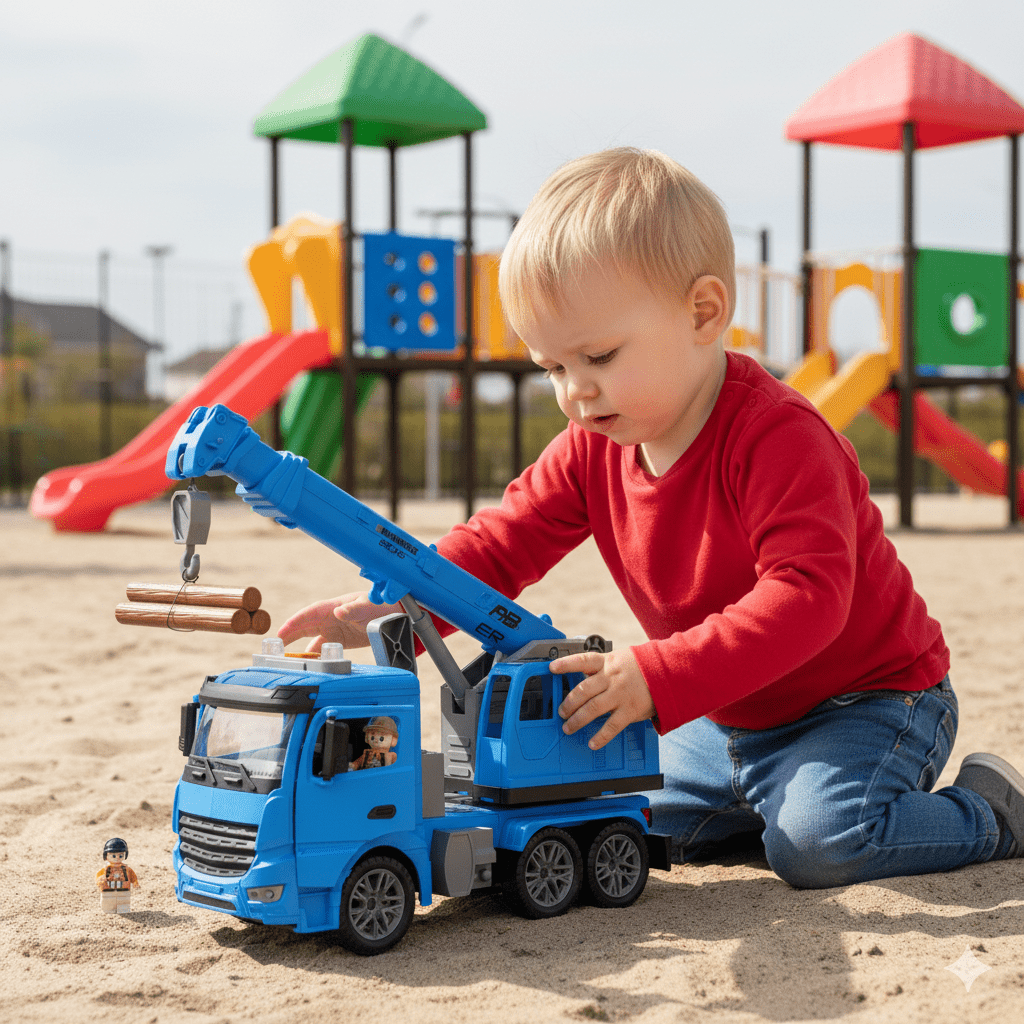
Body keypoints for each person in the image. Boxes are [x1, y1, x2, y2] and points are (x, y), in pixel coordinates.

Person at [279, 147, 1024, 888]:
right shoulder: (593, 445)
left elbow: (809, 597)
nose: (574, 391)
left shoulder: (779, 437)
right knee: (612, 811)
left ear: (703, 312)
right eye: (554, 368)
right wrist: (391, 614)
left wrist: (659, 672)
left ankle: (992, 811)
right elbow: (499, 546)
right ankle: (759, 798)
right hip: (726, 715)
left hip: (867, 700)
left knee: (821, 844)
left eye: (598, 355)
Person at [96, 837, 140, 913]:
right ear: (106, 856)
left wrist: (135, 882)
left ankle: (123, 910)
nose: (117, 858)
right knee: (108, 902)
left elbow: (132, 875)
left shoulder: (126, 868)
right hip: (108, 890)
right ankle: (109, 910)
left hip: (124, 889)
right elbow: (98, 876)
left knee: (123, 902)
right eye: (113, 856)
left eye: (120, 856)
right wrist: (100, 882)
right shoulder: (106, 869)